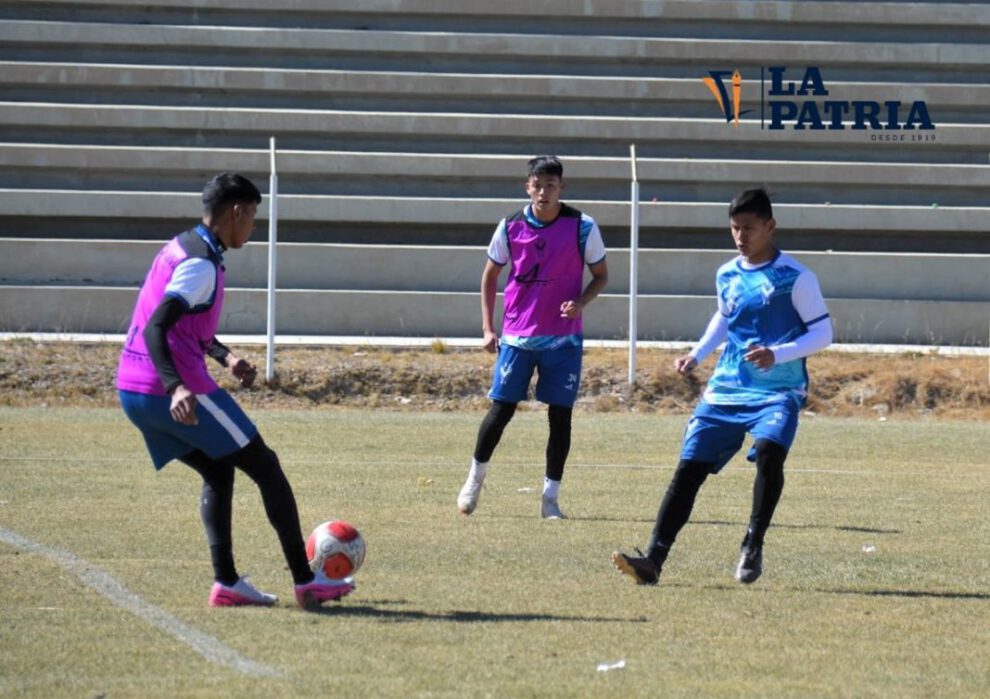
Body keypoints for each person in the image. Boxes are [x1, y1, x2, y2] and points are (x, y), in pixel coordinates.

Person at [117, 172, 352, 609]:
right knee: (266, 466)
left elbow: (183, 324)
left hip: (131, 389)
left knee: (218, 470)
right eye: (253, 218)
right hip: (169, 387)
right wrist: (175, 387)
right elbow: (158, 326)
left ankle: (227, 583)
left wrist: (225, 357)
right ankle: (306, 581)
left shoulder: (181, 246)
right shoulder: (201, 264)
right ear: (237, 212)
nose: (253, 228)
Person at [612, 188, 832, 585]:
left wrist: (777, 354)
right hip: (728, 386)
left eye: (748, 228)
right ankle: (653, 561)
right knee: (689, 466)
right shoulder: (727, 274)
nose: (740, 237)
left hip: (778, 390)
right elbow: (725, 318)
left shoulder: (797, 278)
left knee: (768, 452)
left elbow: (824, 334)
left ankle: (752, 543)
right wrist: (697, 355)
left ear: (770, 226)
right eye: (734, 228)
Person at [457, 155, 608, 519]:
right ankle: (473, 482)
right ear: (527, 187)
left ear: (562, 188)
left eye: (550, 186)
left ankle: (550, 499)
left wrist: (581, 302)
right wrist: (487, 328)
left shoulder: (582, 226)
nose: (543, 192)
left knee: (560, 418)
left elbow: (601, 275)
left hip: (563, 341)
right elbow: (490, 276)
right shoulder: (510, 226)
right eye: (537, 186)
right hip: (518, 338)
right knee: (501, 409)